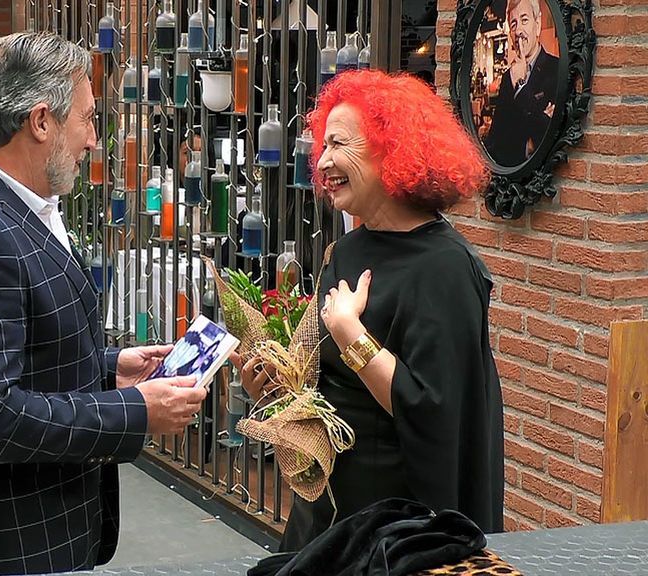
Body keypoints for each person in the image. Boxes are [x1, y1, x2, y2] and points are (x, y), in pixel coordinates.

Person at [0, 32, 208, 575]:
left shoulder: (7, 203)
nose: (94, 140)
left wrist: (109, 368)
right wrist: (135, 411)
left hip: (28, 528)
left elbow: (16, 346)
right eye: (88, 119)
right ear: (40, 122)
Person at [237, 70, 504, 551]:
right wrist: (277, 386)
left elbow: (434, 412)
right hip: (328, 513)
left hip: (397, 526)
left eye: (340, 144)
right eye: (324, 145)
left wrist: (349, 333)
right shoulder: (347, 251)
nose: (324, 161)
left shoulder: (447, 269)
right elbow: (325, 380)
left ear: (393, 149)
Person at [482, 0, 559, 167]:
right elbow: (496, 139)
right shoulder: (508, 76)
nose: (518, 31)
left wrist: (521, 85)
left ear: (537, 24)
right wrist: (527, 141)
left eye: (524, 20)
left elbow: (550, 137)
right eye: (513, 24)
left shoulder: (557, 69)